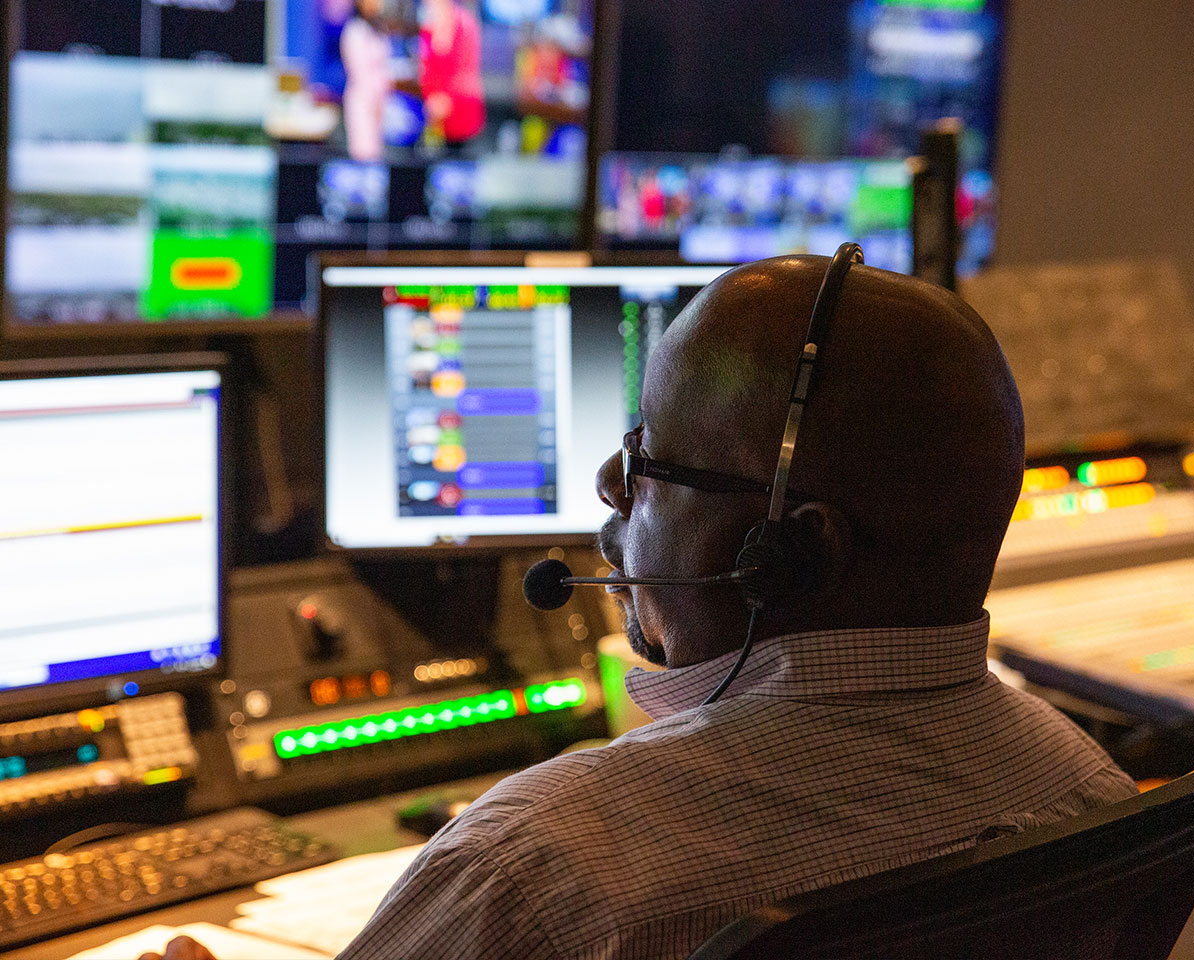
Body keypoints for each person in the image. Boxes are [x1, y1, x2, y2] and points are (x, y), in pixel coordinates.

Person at [140, 257, 1137, 960]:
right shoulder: (1085, 789)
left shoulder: (544, 865)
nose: (612, 483)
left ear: (791, 553)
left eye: (653, 460)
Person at [418, 0, 485, 144]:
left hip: (459, 106)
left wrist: (446, 98)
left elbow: (466, 69)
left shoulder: (465, 24)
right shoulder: (428, 26)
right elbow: (426, 68)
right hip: (433, 110)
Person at [339, 0, 393, 162]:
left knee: (378, 156)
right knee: (363, 153)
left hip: (382, 101)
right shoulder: (354, 30)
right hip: (362, 100)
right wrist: (373, 100)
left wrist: (381, 98)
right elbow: (359, 72)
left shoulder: (378, 29)